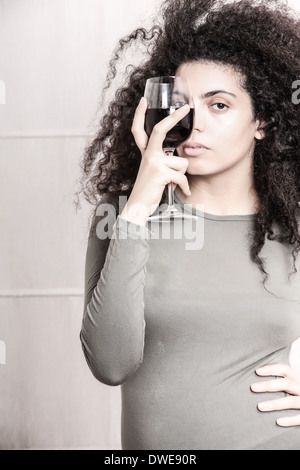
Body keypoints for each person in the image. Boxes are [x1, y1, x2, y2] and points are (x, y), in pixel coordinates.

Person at [78, 0, 300, 450]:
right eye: (180, 105)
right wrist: (138, 204)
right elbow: (110, 364)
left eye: (218, 105)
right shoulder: (122, 213)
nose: (192, 124)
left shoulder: (291, 224)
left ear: (263, 121)